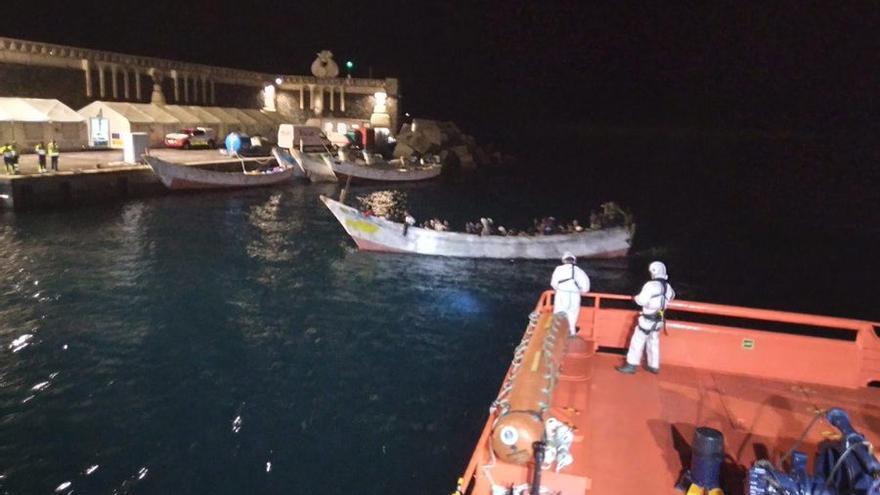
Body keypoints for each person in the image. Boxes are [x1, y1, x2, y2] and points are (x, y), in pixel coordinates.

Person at [617, 261, 675, 374]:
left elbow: (641, 300)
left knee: (637, 341)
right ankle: (654, 365)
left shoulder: (651, 285)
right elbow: (672, 296)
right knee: (654, 341)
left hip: (647, 319)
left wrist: (635, 298)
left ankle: (631, 365)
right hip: (659, 319)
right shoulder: (668, 287)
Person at [550, 252, 590, 336]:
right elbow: (585, 287)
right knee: (572, 314)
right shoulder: (579, 270)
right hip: (574, 295)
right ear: (574, 261)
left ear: (564, 261)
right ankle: (572, 333)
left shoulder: (558, 269)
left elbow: (553, 284)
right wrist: (581, 291)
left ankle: (556, 335)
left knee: (559, 313)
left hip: (562, 294)